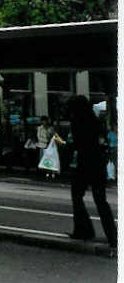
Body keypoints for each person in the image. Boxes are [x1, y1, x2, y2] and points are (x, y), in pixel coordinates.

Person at [55, 96, 117, 251]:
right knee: (101, 201)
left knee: (77, 195)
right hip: (98, 164)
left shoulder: (78, 122)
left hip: (84, 164)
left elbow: (76, 144)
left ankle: (83, 229)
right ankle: (113, 236)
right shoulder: (95, 121)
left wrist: (63, 146)